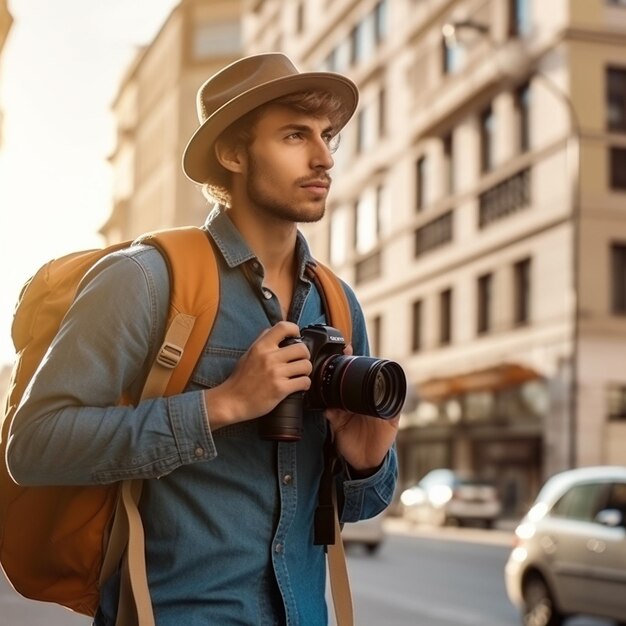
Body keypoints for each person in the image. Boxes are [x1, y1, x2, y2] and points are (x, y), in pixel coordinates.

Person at [7, 52, 399, 625]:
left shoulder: (337, 302)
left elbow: (354, 509)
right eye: (295, 135)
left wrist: (367, 461)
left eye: (328, 136)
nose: (322, 158)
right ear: (233, 153)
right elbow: (32, 447)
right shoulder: (145, 278)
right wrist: (222, 405)